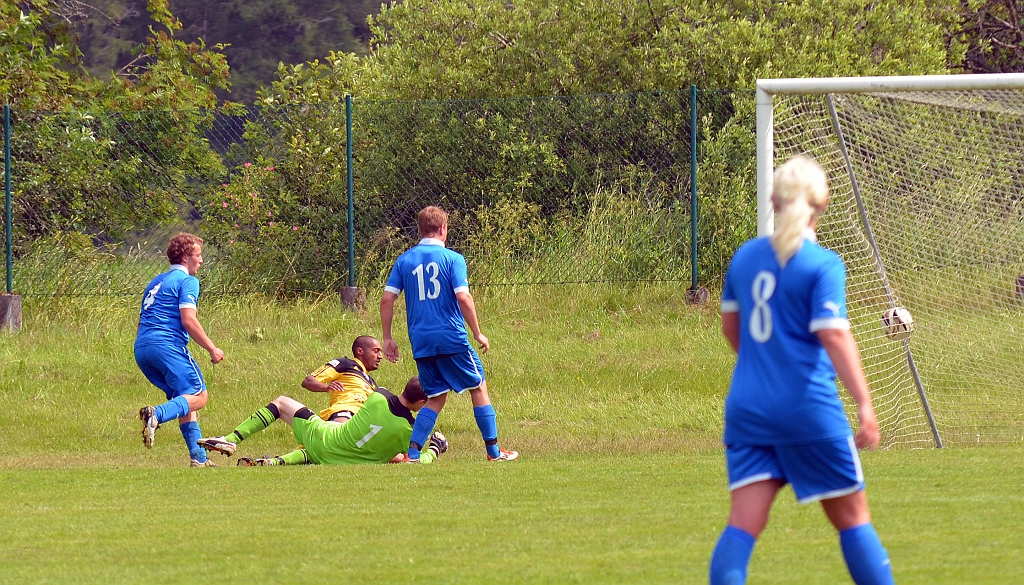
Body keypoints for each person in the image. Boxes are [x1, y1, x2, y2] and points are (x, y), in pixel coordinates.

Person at [710, 156, 893, 585]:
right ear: (822, 204)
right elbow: (834, 336)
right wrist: (865, 404)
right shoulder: (822, 264)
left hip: (749, 410)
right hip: (808, 409)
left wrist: (763, 366)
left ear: (773, 200)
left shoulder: (745, 258)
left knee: (743, 523)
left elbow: (730, 328)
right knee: (853, 520)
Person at [379, 206, 518, 463]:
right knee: (477, 386)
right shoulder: (453, 259)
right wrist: (478, 332)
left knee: (435, 396)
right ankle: (494, 452)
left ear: (420, 230)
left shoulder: (405, 260)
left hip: (421, 341)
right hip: (451, 337)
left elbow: (388, 299)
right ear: (443, 229)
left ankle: (412, 454)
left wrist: (387, 337)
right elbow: (463, 296)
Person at [197, 377, 449, 465]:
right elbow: (411, 461)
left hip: (324, 440)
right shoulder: (409, 432)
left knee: (282, 402)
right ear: (421, 404)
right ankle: (275, 461)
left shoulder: (377, 395)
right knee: (392, 456)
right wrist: (434, 451)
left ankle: (231, 440)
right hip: (344, 461)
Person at [135, 232, 225, 467]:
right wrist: (212, 348)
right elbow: (188, 320)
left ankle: (199, 458)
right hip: (166, 345)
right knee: (198, 396)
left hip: (143, 347)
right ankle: (157, 415)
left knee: (183, 397)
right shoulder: (188, 281)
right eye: (198, 255)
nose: (201, 260)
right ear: (186, 257)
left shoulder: (156, 280)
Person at [265, 335, 385, 466]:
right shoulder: (346, 364)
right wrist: (326, 387)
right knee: (332, 443)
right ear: (360, 351)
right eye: (376, 351)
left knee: (394, 456)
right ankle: (279, 460)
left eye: (381, 352)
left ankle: (282, 459)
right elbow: (308, 381)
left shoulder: (373, 384)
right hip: (343, 416)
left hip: (360, 425)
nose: (380, 356)